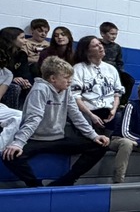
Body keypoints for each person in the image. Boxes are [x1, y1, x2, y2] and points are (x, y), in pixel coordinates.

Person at [2, 57, 109, 187]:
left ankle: (66, 181)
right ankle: (35, 185)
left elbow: (76, 115)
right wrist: (18, 143)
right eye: (66, 77)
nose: (70, 81)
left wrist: (94, 135)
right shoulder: (40, 89)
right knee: (10, 155)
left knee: (100, 145)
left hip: (58, 138)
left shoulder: (66, 90)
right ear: (53, 78)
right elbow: (33, 119)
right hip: (35, 139)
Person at [71, 35, 124, 133]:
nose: (100, 47)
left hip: (109, 111)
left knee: (120, 117)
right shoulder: (78, 69)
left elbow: (117, 93)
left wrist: (114, 110)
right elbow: (75, 96)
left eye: (100, 44)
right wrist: (91, 115)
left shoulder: (111, 69)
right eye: (95, 46)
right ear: (87, 51)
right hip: (88, 111)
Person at [100, 22, 134, 102]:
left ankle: (122, 103)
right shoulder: (98, 45)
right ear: (102, 34)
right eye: (112, 34)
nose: (114, 36)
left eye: (116, 34)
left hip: (114, 71)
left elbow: (119, 62)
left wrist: (120, 73)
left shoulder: (117, 47)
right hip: (101, 71)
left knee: (129, 80)